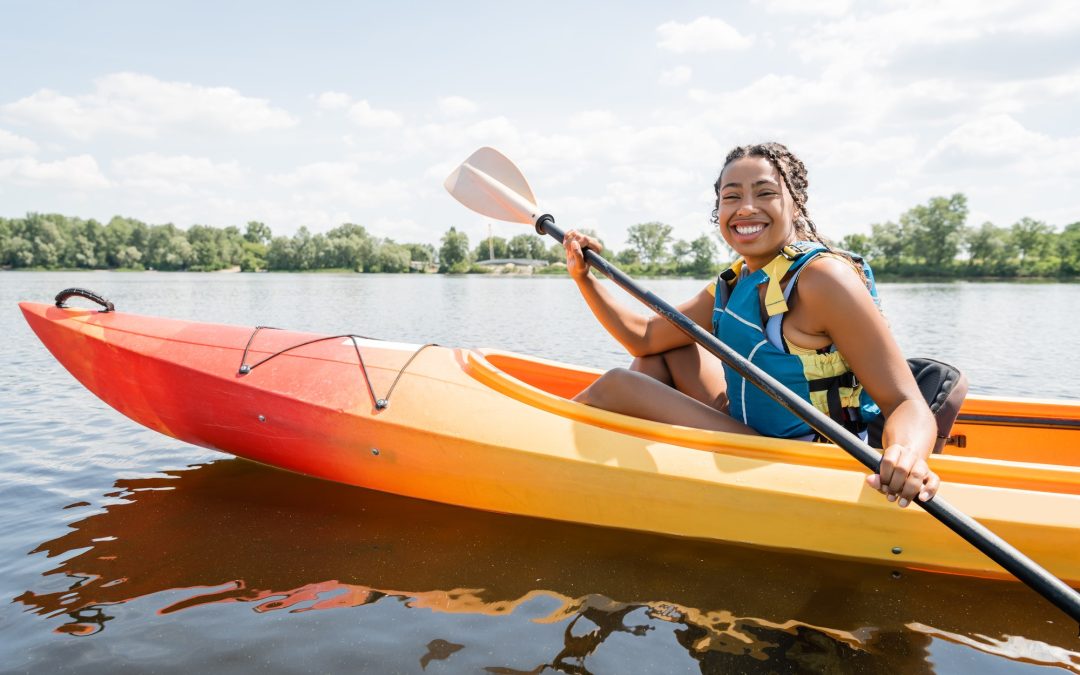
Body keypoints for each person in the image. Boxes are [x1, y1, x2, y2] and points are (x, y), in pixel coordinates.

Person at [563, 142, 939, 509]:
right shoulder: (739, 278)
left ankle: (560, 460)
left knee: (618, 386)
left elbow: (905, 401)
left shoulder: (823, 279)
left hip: (803, 457)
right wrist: (585, 278)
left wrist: (906, 454)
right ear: (718, 211)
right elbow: (644, 338)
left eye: (765, 193)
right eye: (731, 197)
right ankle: (635, 484)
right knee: (664, 354)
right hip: (752, 429)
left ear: (795, 204)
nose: (746, 208)